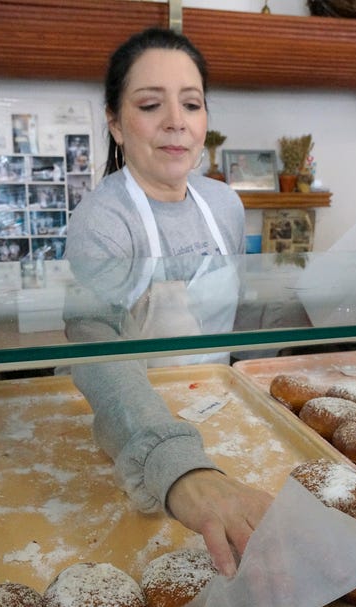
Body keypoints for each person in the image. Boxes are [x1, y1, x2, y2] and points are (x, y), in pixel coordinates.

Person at [64, 27, 273, 577]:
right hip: (139, 431)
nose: (176, 121)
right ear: (114, 120)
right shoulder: (104, 220)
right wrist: (178, 470)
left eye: (192, 103)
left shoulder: (224, 204)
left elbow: (242, 314)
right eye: (151, 104)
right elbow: (95, 344)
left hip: (226, 413)